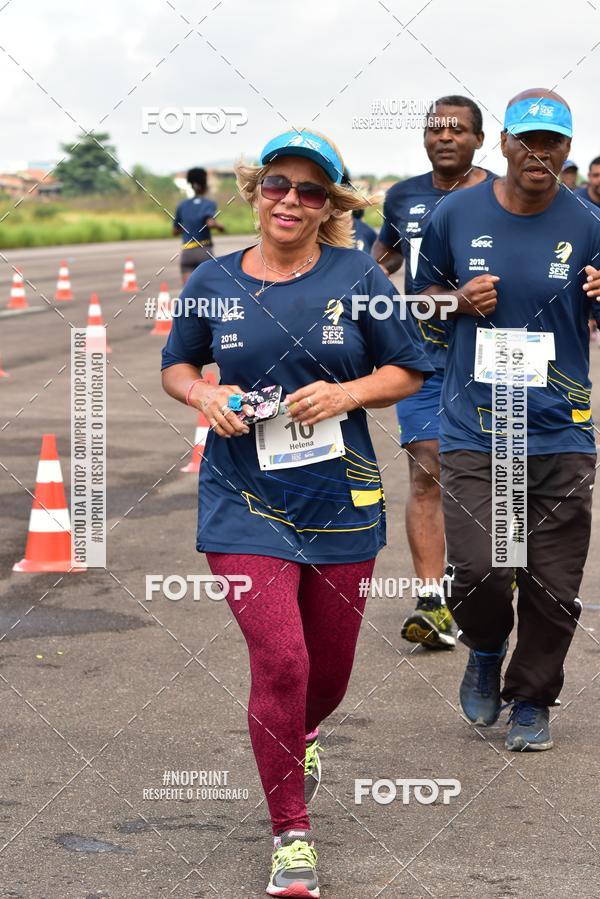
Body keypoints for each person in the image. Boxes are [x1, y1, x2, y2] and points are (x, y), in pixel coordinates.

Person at [161, 130, 433, 897]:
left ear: (330, 206)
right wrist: (204, 393)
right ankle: (291, 833)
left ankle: (304, 732)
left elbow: (410, 368)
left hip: (342, 500)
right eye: (278, 183)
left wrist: (348, 393)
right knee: (281, 660)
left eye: (311, 190)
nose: (291, 199)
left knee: (328, 674)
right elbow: (177, 363)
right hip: (243, 499)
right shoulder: (212, 279)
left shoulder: (358, 276)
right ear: (254, 192)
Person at [414, 88, 600, 752]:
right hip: (476, 428)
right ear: (504, 144)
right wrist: (455, 301)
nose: (538, 153)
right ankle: (486, 647)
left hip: (560, 427)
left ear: (567, 150)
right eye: (527, 139)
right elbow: (416, 302)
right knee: (484, 568)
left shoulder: (589, 221)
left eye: (552, 142)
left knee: (553, 585)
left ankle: (531, 699)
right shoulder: (456, 213)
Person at [372, 96, 495, 650]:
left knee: (491, 478)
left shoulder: (502, 194)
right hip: (420, 355)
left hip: (490, 356)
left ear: (479, 139)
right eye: (434, 129)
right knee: (427, 469)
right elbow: (383, 260)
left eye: (457, 130)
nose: (444, 137)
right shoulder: (402, 196)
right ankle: (431, 601)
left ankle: (478, 586)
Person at [173, 167, 225, 285]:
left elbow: (175, 231)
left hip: (187, 253)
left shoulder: (182, 205)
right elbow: (210, 223)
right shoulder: (209, 204)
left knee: (188, 295)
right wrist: (219, 226)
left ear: (190, 184)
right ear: (205, 184)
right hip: (204, 252)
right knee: (207, 293)